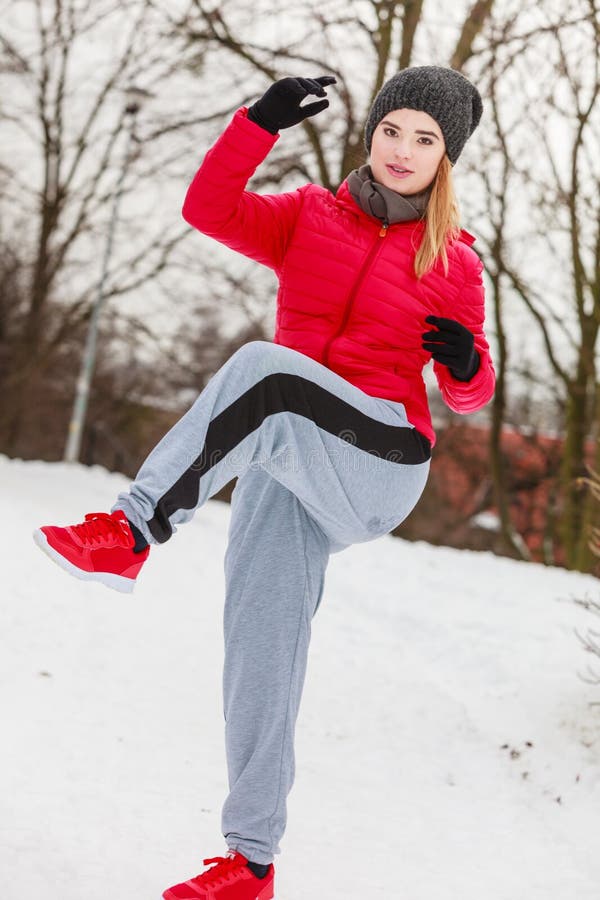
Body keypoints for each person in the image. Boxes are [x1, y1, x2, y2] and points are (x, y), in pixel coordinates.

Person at [34, 66, 495, 900]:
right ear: (372, 132)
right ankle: (250, 861)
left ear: (444, 160)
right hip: (290, 453)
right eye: (393, 129)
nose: (403, 150)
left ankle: (133, 528)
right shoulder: (309, 215)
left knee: (263, 368)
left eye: (425, 140)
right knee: (261, 651)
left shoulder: (455, 261)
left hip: (380, 458)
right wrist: (258, 122)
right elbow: (207, 210)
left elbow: (473, 390)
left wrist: (464, 368)